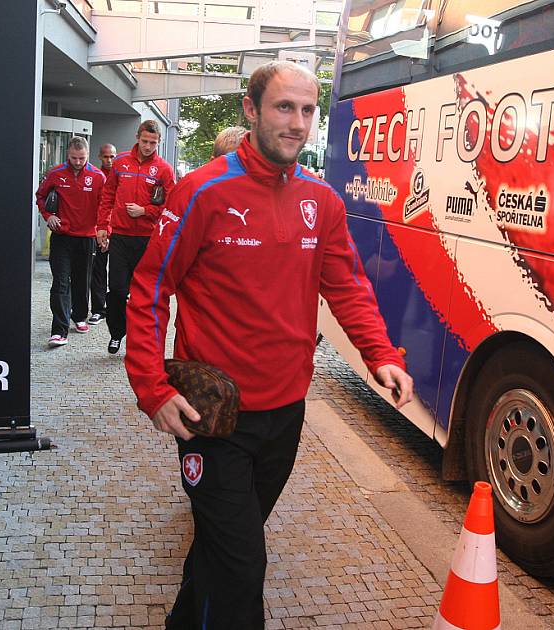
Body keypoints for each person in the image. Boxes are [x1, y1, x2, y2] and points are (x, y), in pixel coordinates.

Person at [124, 61, 414, 630]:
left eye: (308, 110)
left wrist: (380, 353)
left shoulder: (322, 200)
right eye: (284, 107)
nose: (298, 123)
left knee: (225, 546)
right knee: (243, 566)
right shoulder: (202, 190)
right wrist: (152, 389)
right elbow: (149, 291)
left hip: (286, 413)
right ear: (251, 111)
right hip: (213, 418)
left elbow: (348, 285)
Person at [96, 121, 175, 354]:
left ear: (158, 142)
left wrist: (145, 211)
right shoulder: (120, 162)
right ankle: (116, 333)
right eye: (145, 141)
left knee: (143, 294)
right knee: (118, 290)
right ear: (137, 138)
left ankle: (140, 340)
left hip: (147, 239)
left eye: (153, 142)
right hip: (120, 236)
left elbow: (172, 205)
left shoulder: (163, 169)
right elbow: (107, 195)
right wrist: (102, 226)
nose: (148, 146)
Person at [35, 136, 105, 347]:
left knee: (82, 281)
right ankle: (59, 330)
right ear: (68, 155)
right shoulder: (56, 174)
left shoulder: (98, 176)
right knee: (60, 283)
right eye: (74, 158)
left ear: (88, 154)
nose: (78, 162)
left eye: (82, 158)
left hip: (87, 238)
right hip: (62, 236)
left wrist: (105, 231)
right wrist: (49, 216)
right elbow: (40, 196)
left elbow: (106, 206)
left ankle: (80, 316)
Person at [87, 143, 116, 326]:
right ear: (99, 157)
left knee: (118, 273)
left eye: (112, 156)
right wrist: (101, 231)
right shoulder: (96, 177)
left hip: (118, 231)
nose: (109, 160)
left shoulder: (121, 175)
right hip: (100, 231)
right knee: (98, 269)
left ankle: (116, 308)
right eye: (106, 156)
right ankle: (99, 309)